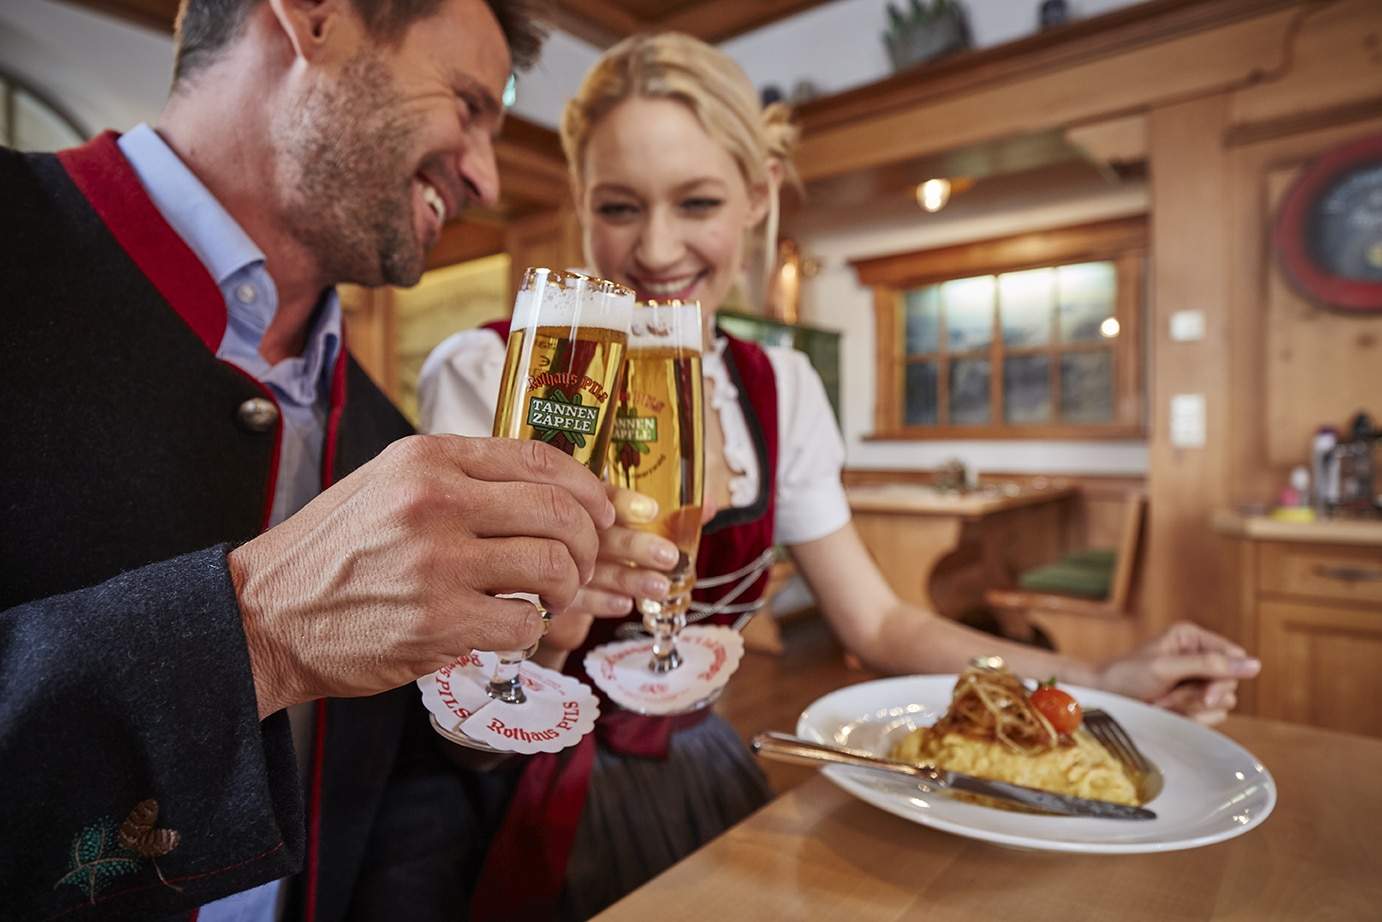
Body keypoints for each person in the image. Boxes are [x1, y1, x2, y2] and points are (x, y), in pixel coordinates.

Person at [419, 31, 1264, 920]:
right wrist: (549, 624)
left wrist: (1097, 679)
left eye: (696, 201)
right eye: (620, 207)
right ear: (582, 207)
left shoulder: (777, 386)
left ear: (756, 198)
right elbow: (456, 701)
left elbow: (881, 620)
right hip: (522, 786)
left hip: (705, 762)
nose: (657, 246)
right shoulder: (494, 373)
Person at [0, 0, 616, 919]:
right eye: (468, 101)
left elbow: (409, 796)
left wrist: (493, 694)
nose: (487, 174)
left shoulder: (384, 429)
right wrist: (258, 631)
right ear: (316, 18)